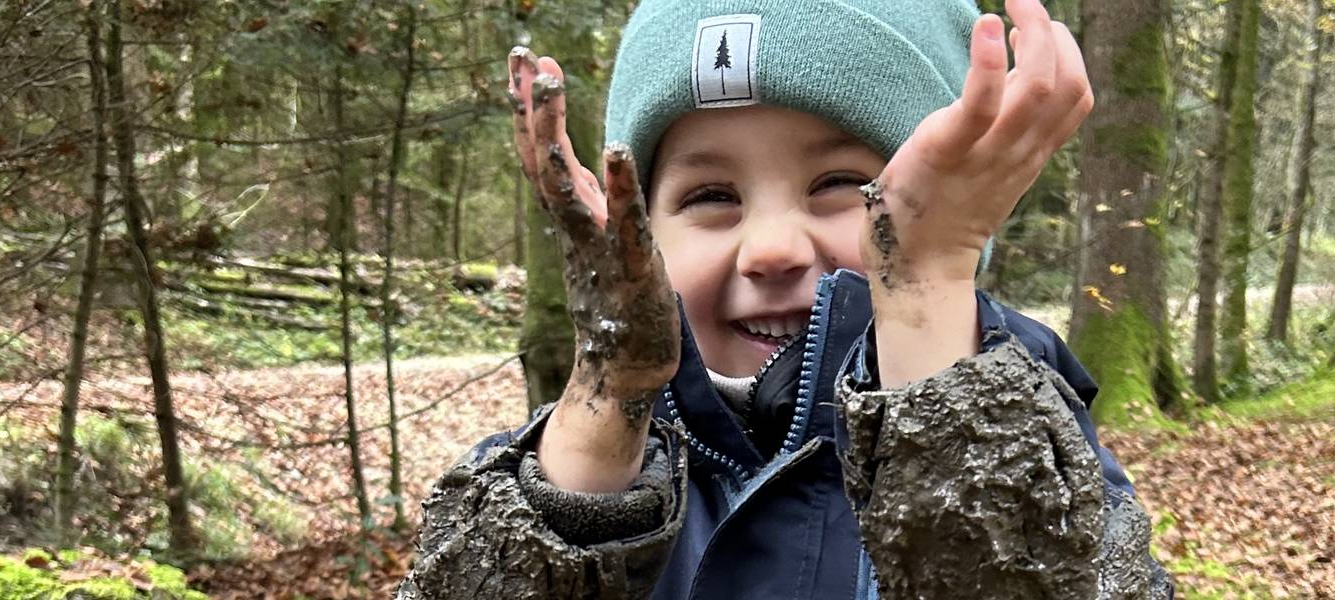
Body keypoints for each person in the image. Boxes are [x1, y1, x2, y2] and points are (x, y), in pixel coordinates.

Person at [394, 0, 1173, 597]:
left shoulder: (1033, 450)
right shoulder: (553, 478)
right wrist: (603, 415)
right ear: (639, 229)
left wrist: (924, 294)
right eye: (709, 194)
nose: (770, 247)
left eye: (839, 185)